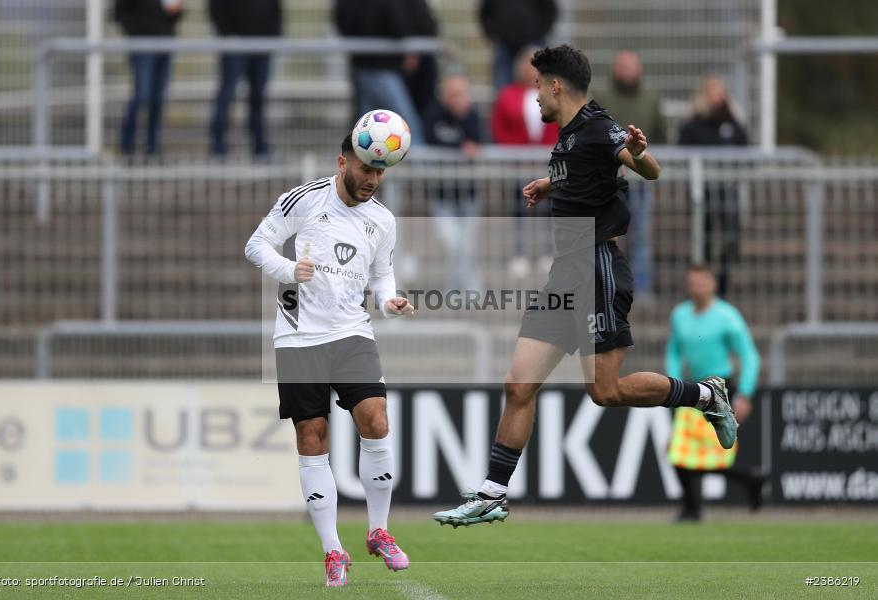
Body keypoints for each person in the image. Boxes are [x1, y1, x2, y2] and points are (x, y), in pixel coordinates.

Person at [433, 45, 738, 527]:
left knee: (606, 391)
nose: (533, 95)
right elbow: (582, 170)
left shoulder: (598, 125)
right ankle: (493, 493)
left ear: (556, 85)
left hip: (596, 265)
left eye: (538, 85)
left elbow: (646, 168)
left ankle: (704, 395)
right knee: (517, 385)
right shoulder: (569, 135)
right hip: (565, 272)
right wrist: (547, 183)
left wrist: (638, 153)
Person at [245, 133, 415, 587]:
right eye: (366, 169)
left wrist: (391, 300)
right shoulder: (302, 200)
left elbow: (383, 277)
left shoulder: (383, 221)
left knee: (375, 420)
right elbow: (256, 244)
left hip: (351, 331)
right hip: (299, 336)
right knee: (311, 432)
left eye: (380, 172)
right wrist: (286, 270)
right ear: (343, 162)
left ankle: (378, 530)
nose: (373, 179)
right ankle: (332, 550)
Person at [666, 264, 765, 521]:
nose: (697, 289)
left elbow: (749, 357)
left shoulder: (727, 316)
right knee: (681, 452)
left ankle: (694, 507)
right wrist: (673, 382)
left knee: (708, 452)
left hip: (720, 388)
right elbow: (674, 351)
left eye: (702, 283)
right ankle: (698, 504)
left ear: (713, 285)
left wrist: (744, 393)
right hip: (690, 389)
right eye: (693, 284)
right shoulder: (680, 315)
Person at [593, 50, 666, 299]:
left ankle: (641, 289)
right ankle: (606, 287)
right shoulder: (601, 98)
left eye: (630, 66)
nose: (626, 71)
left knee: (641, 235)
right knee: (606, 235)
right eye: (622, 66)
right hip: (607, 182)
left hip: (641, 182)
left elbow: (661, 136)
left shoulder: (650, 100)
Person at [490, 45, 559, 279]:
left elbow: (560, 125)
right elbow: (499, 127)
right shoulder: (508, 94)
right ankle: (518, 253)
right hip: (517, 165)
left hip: (548, 165)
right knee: (518, 210)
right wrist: (515, 154)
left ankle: (548, 253)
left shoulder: (555, 94)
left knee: (549, 210)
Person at [678, 76, 748, 295]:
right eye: (711, 92)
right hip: (703, 192)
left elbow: (745, 149)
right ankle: (704, 289)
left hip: (727, 190)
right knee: (704, 241)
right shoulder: (692, 124)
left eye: (719, 91)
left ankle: (723, 287)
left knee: (729, 238)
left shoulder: (733, 123)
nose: (716, 97)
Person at [333, 0, 427, 145]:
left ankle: (363, 165)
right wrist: (406, 41)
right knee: (404, 125)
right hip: (381, 67)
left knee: (366, 129)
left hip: (366, 64)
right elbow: (395, 19)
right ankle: (421, 165)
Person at [424, 73, 484, 291]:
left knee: (466, 245)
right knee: (452, 242)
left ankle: (464, 286)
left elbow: (477, 142)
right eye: (453, 94)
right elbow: (432, 141)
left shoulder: (472, 114)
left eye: (462, 93)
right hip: (442, 195)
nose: (458, 98)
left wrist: (464, 117)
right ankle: (463, 285)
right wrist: (460, 147)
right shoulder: (434, 114)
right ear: (444, 96)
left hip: (468, 194)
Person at [207, 0, 282, 158]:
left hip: (262, 44)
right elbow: (216, 7)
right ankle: (218, 148)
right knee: (226, 95)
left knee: (258, 98)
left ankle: (259, 148)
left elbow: (275, 8)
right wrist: (227, 34)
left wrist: (274, 34)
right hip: (235, 46)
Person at [114, 0, 184, 156]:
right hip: (142, 46)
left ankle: (152, 148)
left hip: (165, 44)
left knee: (158, 99)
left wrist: (176, 10)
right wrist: (137, 33)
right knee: (142, 96)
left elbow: (177, 15)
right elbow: (119, 13)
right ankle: (127, 147)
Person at [479, 0, 558, 93]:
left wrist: (540, 33)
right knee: (503, 87)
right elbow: (485, 12)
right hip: (505, 44)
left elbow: (550, 10)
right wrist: (492, 32)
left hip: (533, 43)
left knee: (538, 87)